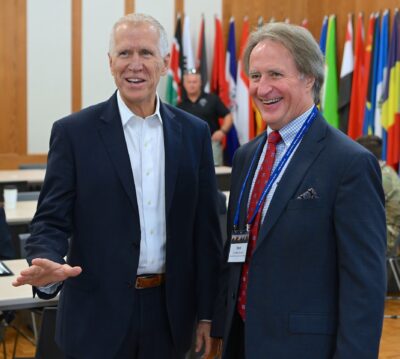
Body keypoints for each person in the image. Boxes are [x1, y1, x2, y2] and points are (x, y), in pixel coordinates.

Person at [12, 13, 222, 359]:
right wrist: (47, 262)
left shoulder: (193, 133)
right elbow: (50, 219)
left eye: (145, 53)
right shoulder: (74, 133)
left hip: (170, 317)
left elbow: (206, 232)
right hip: (96, 316)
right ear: (110, 63)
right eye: (124, 54)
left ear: (165, 63)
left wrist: (207, 312)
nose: (134, 65)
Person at [210, 22, 386, 359]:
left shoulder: (350, 163)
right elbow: (238, 248)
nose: (262, 88)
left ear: (310, 78)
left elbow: (363, 285)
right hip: (242, 341)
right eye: (255, 75)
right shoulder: (247, 156)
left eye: (275, 74)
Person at [178, 70, 233, 166]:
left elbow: (228, 116)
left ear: (200, 83)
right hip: (188, 148)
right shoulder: (180, 105)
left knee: (216, 176)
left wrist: (222, 131)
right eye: (189, 82)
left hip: (211, 144)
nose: (192, 85)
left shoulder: (212, 99)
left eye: (194, 82)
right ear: (184, 84)